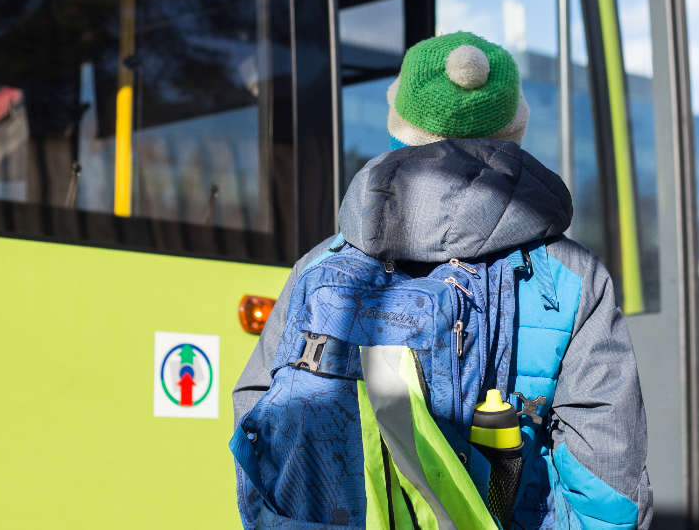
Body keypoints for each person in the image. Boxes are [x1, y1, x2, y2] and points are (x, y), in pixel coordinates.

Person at [233, 32, 652, 530]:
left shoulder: (320, 263)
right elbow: (607, 476)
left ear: (398, 126)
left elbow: (257, 420)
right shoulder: (573, 278)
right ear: (514, 131)